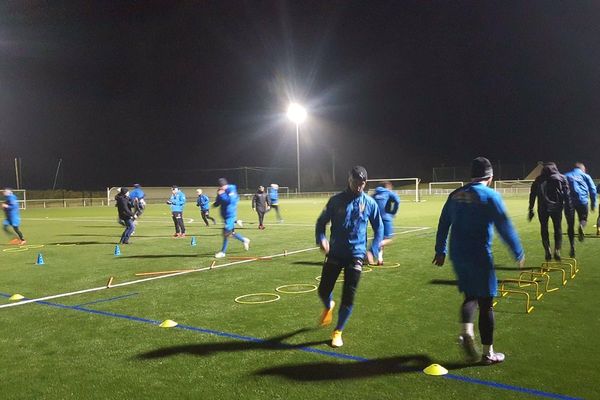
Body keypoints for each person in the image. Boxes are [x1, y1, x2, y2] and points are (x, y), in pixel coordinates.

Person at [433, 157, 525, 365]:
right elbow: (504, 225)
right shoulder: (490, 195)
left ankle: (466, 331)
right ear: (490, 177)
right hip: (479, 255)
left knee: (470, 296)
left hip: (457, 253)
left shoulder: (455, 195)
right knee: (486, 303)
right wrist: (518, 252)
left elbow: (443, 222)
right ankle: (488, 353)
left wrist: (440, 250)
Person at [316, 166, 383, 348]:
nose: (359, 187)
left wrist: (373, 250)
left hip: (356, 254)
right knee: (323, 290)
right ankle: (329, 304)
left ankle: (338, 331)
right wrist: (321, 239)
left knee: (349, 296)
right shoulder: (335, 201)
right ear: (349, 179)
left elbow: (379, 228)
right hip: (336, 252)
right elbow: (321, 223)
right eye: (356, 183)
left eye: (362, 184)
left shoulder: (369, 203)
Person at [528, 162, 573, 260]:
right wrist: (569, 208)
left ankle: (547, 250)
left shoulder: (539, 179)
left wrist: (531, 209)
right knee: (558, 228)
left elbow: (532, 194)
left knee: (544, 228)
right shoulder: (562, 178)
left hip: (542, 208)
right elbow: (567, 195)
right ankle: (557, 250)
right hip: (557, 207)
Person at [213, 178, 250, 258]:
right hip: (225, 215)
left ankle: (223, 252)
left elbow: (230, 201)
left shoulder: (231, 189)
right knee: (230, 234)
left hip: (231, 215)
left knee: (226, 232)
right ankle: (244, 240)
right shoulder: (221, 190)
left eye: (223, 187)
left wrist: (222, 194)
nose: (222, 188)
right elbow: (219, 201)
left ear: (226, 185)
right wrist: (216, 203)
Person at [367, 181, 400, 265]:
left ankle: (380, 259)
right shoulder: (388, 192)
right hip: (386, 218)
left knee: (380, 237)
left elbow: (368, 202)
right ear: (388, 187)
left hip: (375, 219)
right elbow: (397, 200)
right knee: (388, 239)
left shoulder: (375, 193)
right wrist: (393, 212)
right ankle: (371, 252)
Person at [565, 163, 597, 242]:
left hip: (569, 202)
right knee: (583, 218)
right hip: (582, 200)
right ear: (583, 169)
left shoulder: (566, 175)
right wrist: (593, 203)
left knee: (570, 223)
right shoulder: (585, 176)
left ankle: (572, 246)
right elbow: (593, 190)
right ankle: (581, 226)